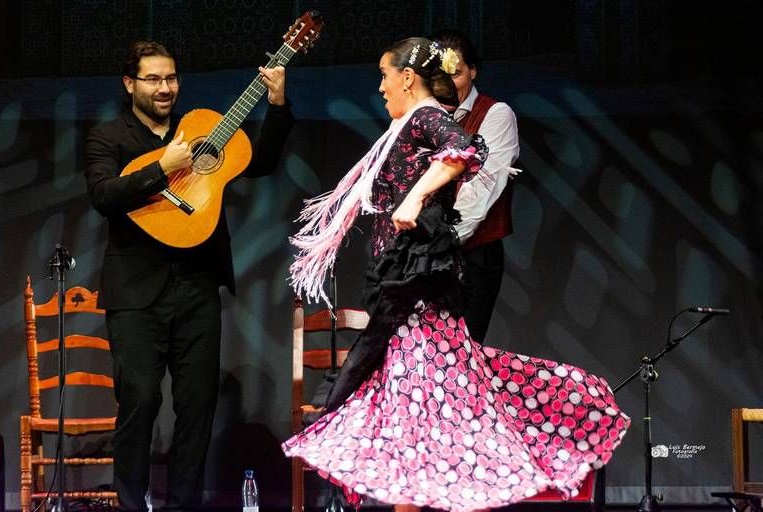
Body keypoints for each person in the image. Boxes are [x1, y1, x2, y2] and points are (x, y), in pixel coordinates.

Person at [283, 37, 629, 512]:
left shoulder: (426, 115)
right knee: (424, 406)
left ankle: (568, 412)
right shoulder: (406, 123)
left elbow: (464, 150)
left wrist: (415, 197)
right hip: (404, 284)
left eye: (384, 74)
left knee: (429, 405)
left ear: (407, 76)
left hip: (418, 292)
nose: (380, 86)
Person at [84, 41, 294, 512]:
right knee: (138, 406)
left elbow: (259, 161)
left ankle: (184, 505)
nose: (165, 88)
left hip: (198, 286)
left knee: (197, 409)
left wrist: (277, 104)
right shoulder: (109, 138)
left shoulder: (203, 131)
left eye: (171, 78)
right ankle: (132, 506)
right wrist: (163, 168)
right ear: (129, 84)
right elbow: (103, 194)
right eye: (153, 79)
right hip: (137, 293)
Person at [432, 29, 520, 345]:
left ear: (472, 70)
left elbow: (478, 194)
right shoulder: (426, 118)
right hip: (425, 256)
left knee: (459, 362)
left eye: (454, 74)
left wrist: (433, 251)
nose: (445, 84)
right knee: (422, 365)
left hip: (471, 256)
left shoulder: (496, 115)